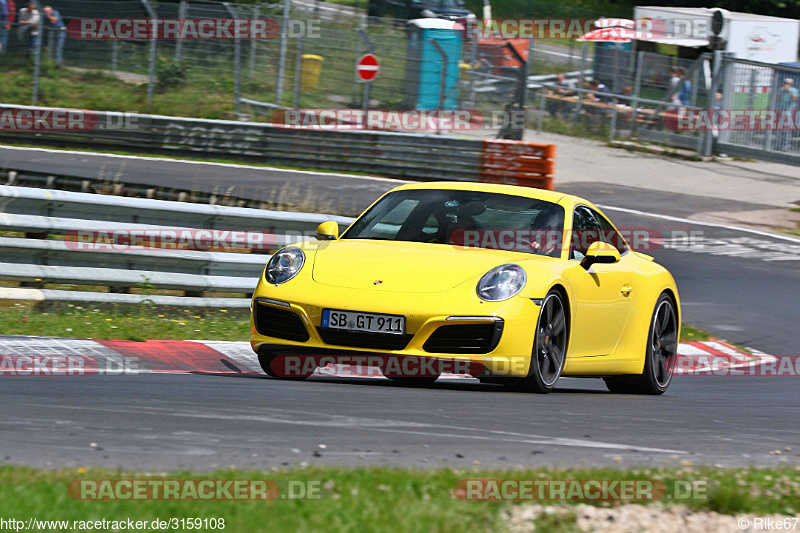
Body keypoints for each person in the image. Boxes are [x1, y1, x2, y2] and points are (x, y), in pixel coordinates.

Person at [775, 78, 798, 152]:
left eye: (789, 83)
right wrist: (781, 92)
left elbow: (795, 99)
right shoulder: (780, 89)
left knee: (786, 130)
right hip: (779, 111)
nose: (787, 85)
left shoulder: (794, 90)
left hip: (788, 112)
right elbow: (775, 99)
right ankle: (778, 145)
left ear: (791, 84)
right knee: (779, 129)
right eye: (786, 83)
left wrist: (790, 92)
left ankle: (786, 146)